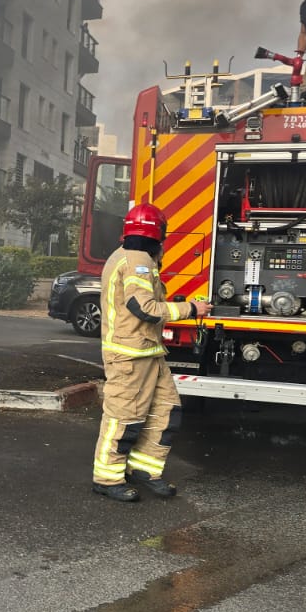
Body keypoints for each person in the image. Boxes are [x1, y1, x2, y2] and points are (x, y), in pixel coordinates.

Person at [91, 202, 210, 503]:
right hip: (129, 355)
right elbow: (143, 308)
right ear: (158, 234)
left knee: (166, 411)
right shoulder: (136, 261)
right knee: (123, 418)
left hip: (148, 353)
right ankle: (106, 478)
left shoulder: (132, 258)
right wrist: (191, 309)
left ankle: (144, 469)